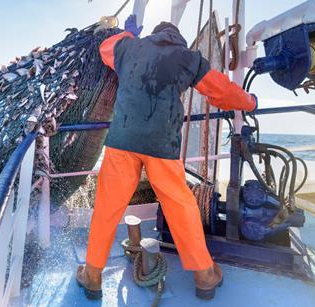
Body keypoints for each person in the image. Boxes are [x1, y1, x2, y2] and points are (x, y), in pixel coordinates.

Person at [76, 15, 257, 301]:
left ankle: (93, 275)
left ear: (154, 36)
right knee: (180, 206)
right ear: (178, 40)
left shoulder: (128, 48)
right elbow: (221, 91)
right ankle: (204, 276)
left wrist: (129, 35)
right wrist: (250, 102)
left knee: (108, 207)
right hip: (161, 145)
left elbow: (105, 48)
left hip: (122, 141)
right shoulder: (187, 57)